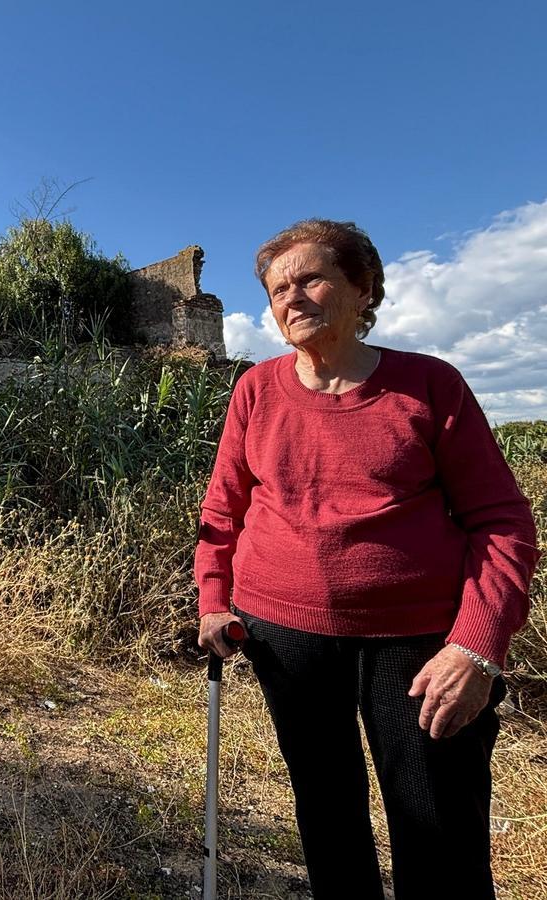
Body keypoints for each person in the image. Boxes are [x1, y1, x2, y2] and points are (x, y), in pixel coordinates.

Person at [194, 219, 540, 900]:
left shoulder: (430, 388)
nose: (291, 298)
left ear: (363, 289)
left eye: (311, 278)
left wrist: (477, 648)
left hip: (419, 646)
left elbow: (502, 522)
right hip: (285, 637)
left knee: (440, 830)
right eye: (276, 289)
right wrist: (212, 600)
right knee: (326, 816)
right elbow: (222, 510)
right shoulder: (256, 391)